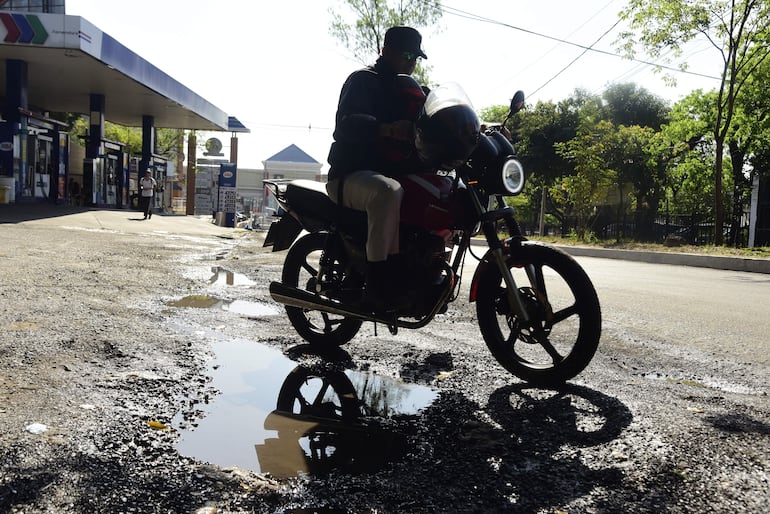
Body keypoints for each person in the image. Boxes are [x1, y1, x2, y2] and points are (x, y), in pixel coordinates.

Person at [326, 26, 430, 310]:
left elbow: (437, 116)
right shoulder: (363, 81)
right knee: (388, 191)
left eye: (416, 57)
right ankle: (378, 283)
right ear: (386, 51)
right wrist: (385, 129)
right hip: (349, 174)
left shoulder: (412, 91)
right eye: (407, 54)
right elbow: (345, 124)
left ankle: (420, 272)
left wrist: (476, 128)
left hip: (387, 174)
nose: (412, 61)